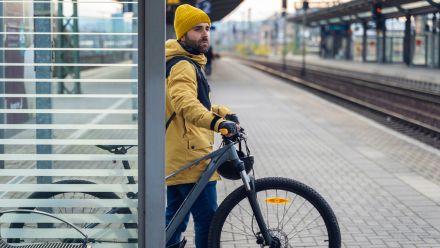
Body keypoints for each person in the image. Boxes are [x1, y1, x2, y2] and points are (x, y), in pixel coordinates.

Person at [164, 4, 240, 248]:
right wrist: (218, 123)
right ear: (182, 35)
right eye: (197, 29)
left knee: (174, 220)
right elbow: (185, 104)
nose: (205, 34)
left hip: (181, 154)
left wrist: (223, 113)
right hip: (192, 157)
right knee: (209, 222)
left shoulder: (186, 62)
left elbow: (196, 104)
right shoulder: (183, 65)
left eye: (207, 28)